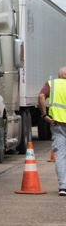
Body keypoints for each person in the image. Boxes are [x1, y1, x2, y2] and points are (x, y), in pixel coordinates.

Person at [38, 66, 66, 196]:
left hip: (58, 124)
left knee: (60, 155)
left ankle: (63, 187)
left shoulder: (52, 84)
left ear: (59, 75)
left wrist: (45, 115)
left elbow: (41, 96)